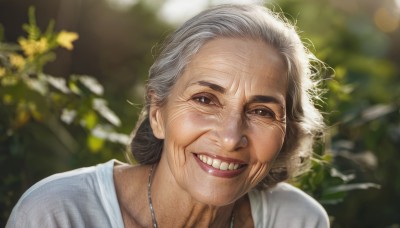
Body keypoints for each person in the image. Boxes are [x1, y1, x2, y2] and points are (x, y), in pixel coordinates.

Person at [7, 4, 329, 228]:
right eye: (205, 99)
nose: (230, 137)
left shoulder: (298, 220)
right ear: (158, 112)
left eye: (261, 111)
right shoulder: (58, 214)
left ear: (287, 132)